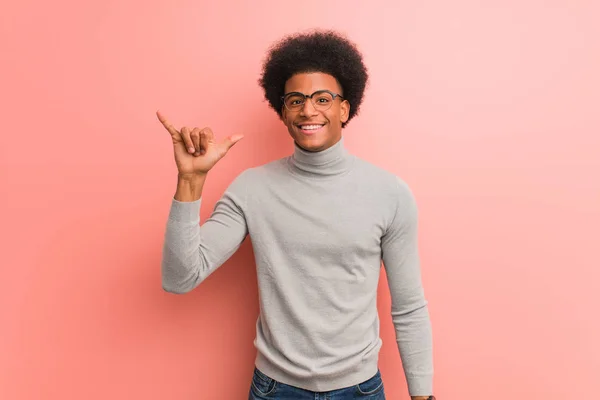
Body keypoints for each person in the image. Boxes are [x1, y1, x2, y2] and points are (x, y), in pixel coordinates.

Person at [157, 29, 435, 400]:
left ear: (344, 108)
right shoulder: (252, 189)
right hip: (275, 390)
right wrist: (190, 182)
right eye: (295, 100)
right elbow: (180, 277)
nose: (308, 110)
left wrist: (423, 395)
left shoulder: (390, 193)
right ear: (282, 110)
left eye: (323, 98)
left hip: (360, 389)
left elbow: (409, 307)